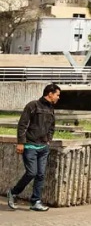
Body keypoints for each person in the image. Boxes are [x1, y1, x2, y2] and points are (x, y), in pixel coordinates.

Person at [6, 83, 61, 212]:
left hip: (43, 147)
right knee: (32, 172)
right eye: (57, 95)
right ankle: (13, 192)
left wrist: (49, 140)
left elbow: (52, 126)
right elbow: (22, 125)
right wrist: (21, 142)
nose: (58, 98)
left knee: (41, 175)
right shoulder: (33, 105)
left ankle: (36, 201)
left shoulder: (51, 109)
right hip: (30, 145)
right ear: (50, 94)